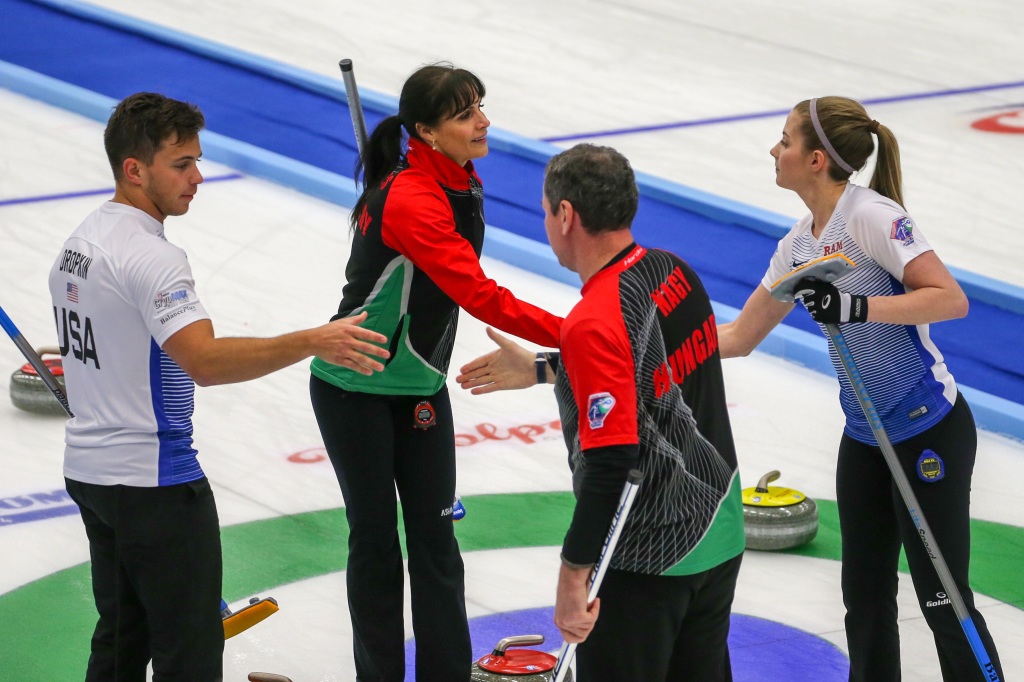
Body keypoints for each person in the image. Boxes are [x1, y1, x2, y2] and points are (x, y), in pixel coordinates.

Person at [47, 92, 389, 682]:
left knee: (121, 640)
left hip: (93, 473)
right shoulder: (152, 257)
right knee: (190, 650)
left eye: (197, 162)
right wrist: (313, 339)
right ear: (134, 169)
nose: (198, 178)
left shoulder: (79, 242)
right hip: (156, 482)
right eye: (181, 165)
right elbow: (203, 360)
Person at [716, 96, 1003, 681]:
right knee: (864, 602)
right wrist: (650, 341)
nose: (775, 150)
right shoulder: (798, 244)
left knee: (942, 598)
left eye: (785, 141)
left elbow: (950, 298)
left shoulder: (872, 216)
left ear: (816, 159)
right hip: (865, 439)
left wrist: (856, 304)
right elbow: (741, 335)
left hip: (928, 431)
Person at [307, 62, 562, 682]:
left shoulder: (457, 178)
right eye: (465, 113)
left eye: (480, 105)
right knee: (375, 545)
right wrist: (583, 332)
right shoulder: (414, 198)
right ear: (424, 130)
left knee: (436, 544)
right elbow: (480, 295)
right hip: (355, 388)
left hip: (419, 387)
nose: (483, 121)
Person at [457, 143, 745, 681]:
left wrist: (574, 574)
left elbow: (613, 459)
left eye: (546, 210)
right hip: (721, 532)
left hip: (648, 556)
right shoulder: (671, 271)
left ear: (566, 215)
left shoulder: (594, 318)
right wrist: (547, 368)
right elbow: (650, 381)